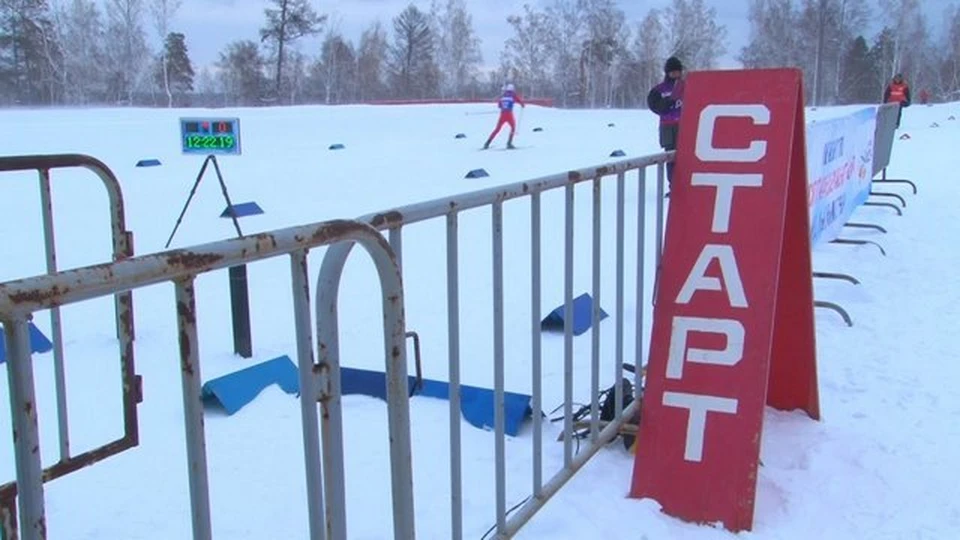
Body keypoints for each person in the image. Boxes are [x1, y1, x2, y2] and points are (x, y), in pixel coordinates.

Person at [647, 56, 685, 185]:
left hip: (685, 126)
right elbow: (655, 107)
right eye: (672, 72)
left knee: (686, 156)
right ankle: (673, 185)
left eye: (678, 72)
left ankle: (685, 185)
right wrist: (670, 100)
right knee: (671, 158)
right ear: (667, 73)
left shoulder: (687, 86)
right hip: (668, 128)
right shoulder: (659, 90)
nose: (675, 74)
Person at [483, 83, 525, 150]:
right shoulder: (513, 95)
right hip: (509, 114)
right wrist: (522, 104)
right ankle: (509, 143)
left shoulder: (503, 95)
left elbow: (499, 105)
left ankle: (487, 143)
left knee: (497, 129)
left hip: (502, 114)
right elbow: (520, 101)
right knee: (513, 127)